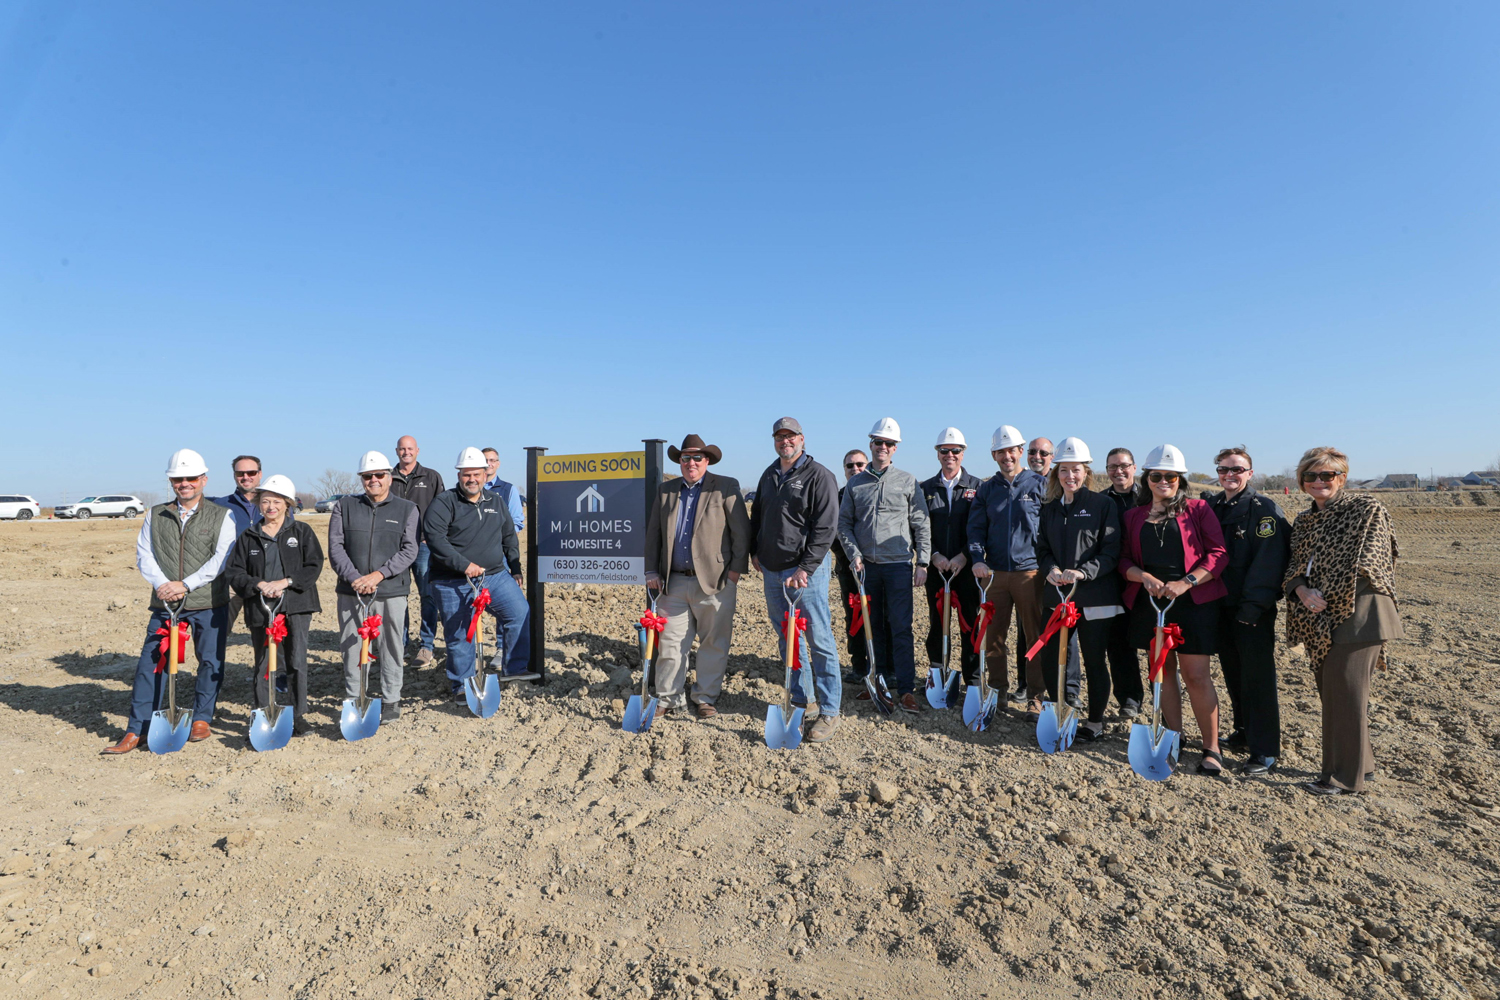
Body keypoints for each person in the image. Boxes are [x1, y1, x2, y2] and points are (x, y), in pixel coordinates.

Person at [1283, 447, 1402, 796]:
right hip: (1319, 619)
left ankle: (1343, 779)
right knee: (1335, 694)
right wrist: (1302, 591)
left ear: (1342, 478)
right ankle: (1361, 766)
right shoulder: (1304, 521)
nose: (1319, 482)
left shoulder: (1367, 510)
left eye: (1327, 475)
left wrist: (1324, 594)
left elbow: (1370, 562)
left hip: (1360, 617)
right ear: (1301, 481)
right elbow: (1292, 568)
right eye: (1311, 476)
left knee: (1346, 696)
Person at [103, 449, 237, 753]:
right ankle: (138, 728)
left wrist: (185, 584)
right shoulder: (156, 513)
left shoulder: (221, 515)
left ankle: (202, 718)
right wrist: (163, 584)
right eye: (178, 479)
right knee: (151, 664)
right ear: (171, 482)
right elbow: (144, 553)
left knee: (210, 661)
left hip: (208, 601)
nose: (185, 483)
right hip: (166, 602)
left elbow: (221, 558)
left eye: (191, 478)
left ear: (203, 480)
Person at [1118, 444, 1229, 775]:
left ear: (1180, 479)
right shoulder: (1133, 516)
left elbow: (1218, 553)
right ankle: (1173, 739)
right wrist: (1144, 577)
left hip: (1192, 604)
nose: (1163, 481)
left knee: (1196, 676)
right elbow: (1122, 560)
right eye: (1156, 476)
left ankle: (1211, 747)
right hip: (1152, 604)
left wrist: (1187, 581)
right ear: (1147, 479)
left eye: (1170, 476)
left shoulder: (1199, 509)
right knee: (1162, 675)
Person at [642, 435, 751, 720]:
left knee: (713, 642)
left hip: (715, 582)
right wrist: (651, 569)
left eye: (697, 458)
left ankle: (705, 697)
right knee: (670, 643)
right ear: (679, 461)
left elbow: (742, 531)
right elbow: (654, 533)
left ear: (707, 461)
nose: (691, 463)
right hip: (673, 581)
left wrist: (735, 573)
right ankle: (668, 697)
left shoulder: (725, 486)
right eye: (685, 458)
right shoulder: (666, 490)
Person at [748, 417, 842, 742]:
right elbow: (757, 515)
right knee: (788, 639)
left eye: (791, 436)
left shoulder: (820, 476)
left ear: (802, 439)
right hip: (772, 572)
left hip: (805, 574)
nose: (785, 441)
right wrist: (755, 551)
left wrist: (807, 567)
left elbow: (826, 527)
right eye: (779, 436)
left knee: (819, 639)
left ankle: (830, 711)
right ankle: (803, 700)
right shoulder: (770, 474)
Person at [424, 448, 532, 704]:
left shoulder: (496, 501)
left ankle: (514, 670)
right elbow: (436, 540)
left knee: (519, 613)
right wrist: (464, 565)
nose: (471, 479)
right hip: (452, 580)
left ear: (486, 474)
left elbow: (509, 537)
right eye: (466, 474)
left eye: (476, 474)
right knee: (460, 633)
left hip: (494, 576)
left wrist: (515, 568)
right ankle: (462, 684)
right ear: (459, 475)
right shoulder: (444, 503)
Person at [1206, 447, 1291, 774]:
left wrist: (1252, 608)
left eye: (1237, 470)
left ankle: (1265, 749)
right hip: (1221, 607)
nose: (1230, 475)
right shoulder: (1213, 506)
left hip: (1251, 611)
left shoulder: (1264, 510)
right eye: (1224, 469)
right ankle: (1242, 733)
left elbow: (1269, 564)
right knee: (1233, 674)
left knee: (1257, 679)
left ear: (1250, 473)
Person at [838, 418, 932, 714]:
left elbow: (921, 523)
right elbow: (844, 525)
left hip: (899, 567)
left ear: (895, 449)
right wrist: (854, 554)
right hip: (867, 569)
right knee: (872, 628)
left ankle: (905, 690)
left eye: (888, 443)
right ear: (871, 445)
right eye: (878, 442)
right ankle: (876, 684)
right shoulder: (856, 484)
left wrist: (923, 561)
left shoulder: (907, 481)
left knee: (901, 628)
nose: (882, 447)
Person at [1031, 438, 1122, 742]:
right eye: (1064, 470)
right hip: (1057, 597)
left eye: (1077, 470)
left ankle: (1094, 722)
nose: (1070, 476)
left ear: (1086, 472)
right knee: (1051, 656)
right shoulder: (1050, 509)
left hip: (1094, 596)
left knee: (1094, 660)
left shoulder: (1102, 505)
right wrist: (1051, 570)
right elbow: (1042, 549)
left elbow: (1111, 551)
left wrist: (1084, 572)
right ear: (1056, 473)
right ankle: (1061, 708)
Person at [224, 475, 323, 736]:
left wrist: (286, 581)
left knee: (296, 660)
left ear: (287, 504)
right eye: (265, 501)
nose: (270, 507)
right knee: (264, 662)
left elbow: (313, 566)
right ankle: (263, 711)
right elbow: (234, 571)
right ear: (258, 504)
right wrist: (258, 584)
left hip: (296, 605)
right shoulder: (249, 536)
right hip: (261, 607)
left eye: (276, 501)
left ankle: (298, 714)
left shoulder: (301, 532)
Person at [328, 451, 420, 721]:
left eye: (379, 475)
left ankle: (391, 699)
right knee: (351, 646)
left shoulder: (407, 509)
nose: (374, 480)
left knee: (391, 646)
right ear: (361, 479)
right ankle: (355, 697)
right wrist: (354, 577)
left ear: (389, 477)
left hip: (390, 590)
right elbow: (335, 547)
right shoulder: (344, 506)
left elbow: (409, 550)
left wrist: (378, 575)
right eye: (368, 476)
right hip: (351, 590)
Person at [967, 424, 1047, 716]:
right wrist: (977, 558)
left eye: (1011, 451)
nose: (1006, 456)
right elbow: (975, 528)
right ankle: (998, 690)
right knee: (994, 635)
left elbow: (1049, 530)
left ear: (1020, 452)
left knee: (1034, 634)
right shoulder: (987, 489)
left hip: (1031, 573)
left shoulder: (1039, 485)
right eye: (1000, 452)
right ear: (994, 455)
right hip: (995, 575)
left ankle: (1036, 696)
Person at [919, 428, 982, 685]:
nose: (950, 455)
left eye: (955, 450)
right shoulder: (924, 488)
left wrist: (964, 556)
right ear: (937, 454)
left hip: (966, 569)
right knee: (937, 623)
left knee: (970, 624)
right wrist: (933, 555)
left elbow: (981, 527)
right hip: (937, 568)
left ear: (963, 454)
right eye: (944, 450)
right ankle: (937, 673)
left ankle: (973, 679)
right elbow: (919, 527)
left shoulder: (978, 487)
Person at [391, 436, 446, 667]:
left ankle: (426, 646)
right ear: (397, 451)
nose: (406, 452)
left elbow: (441, 511)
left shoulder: (431, 477)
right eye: (402, 449)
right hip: (394, 548)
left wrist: (430, 540)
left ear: (417, 451)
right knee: (397, 598)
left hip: (423, 546)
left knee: (427, 596)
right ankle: (399, 646)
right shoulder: (387, 477)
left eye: (410, 448)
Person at [1102, 447, 1144, 716]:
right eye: (1113, 467)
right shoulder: (1100, 502)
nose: (1119, 471)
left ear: (1134, 467)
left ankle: (1163, 702)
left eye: (1124, 466)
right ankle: (1129, 698)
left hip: (1146, 580)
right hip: (1114, 580)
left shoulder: (1149, 496)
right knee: (1118, 642)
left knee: (1155, 644)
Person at [832, 449, 871, 683]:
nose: (855, 469)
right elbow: (832, 533)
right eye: (850, 466)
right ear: (844, 470)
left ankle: (884, 667)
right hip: (848, 569)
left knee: (881, 617)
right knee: (854, 616)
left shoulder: (877, 492)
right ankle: (858, 666)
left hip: (877, 568)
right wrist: (849, 558)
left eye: (860, 464)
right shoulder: (836, 497)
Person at [482, 447, 526, 532]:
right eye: (485, 460)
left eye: (492, 460)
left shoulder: (509, 490)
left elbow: (516, 523)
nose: (488, 464)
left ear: (498, 464)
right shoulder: (471, 489)